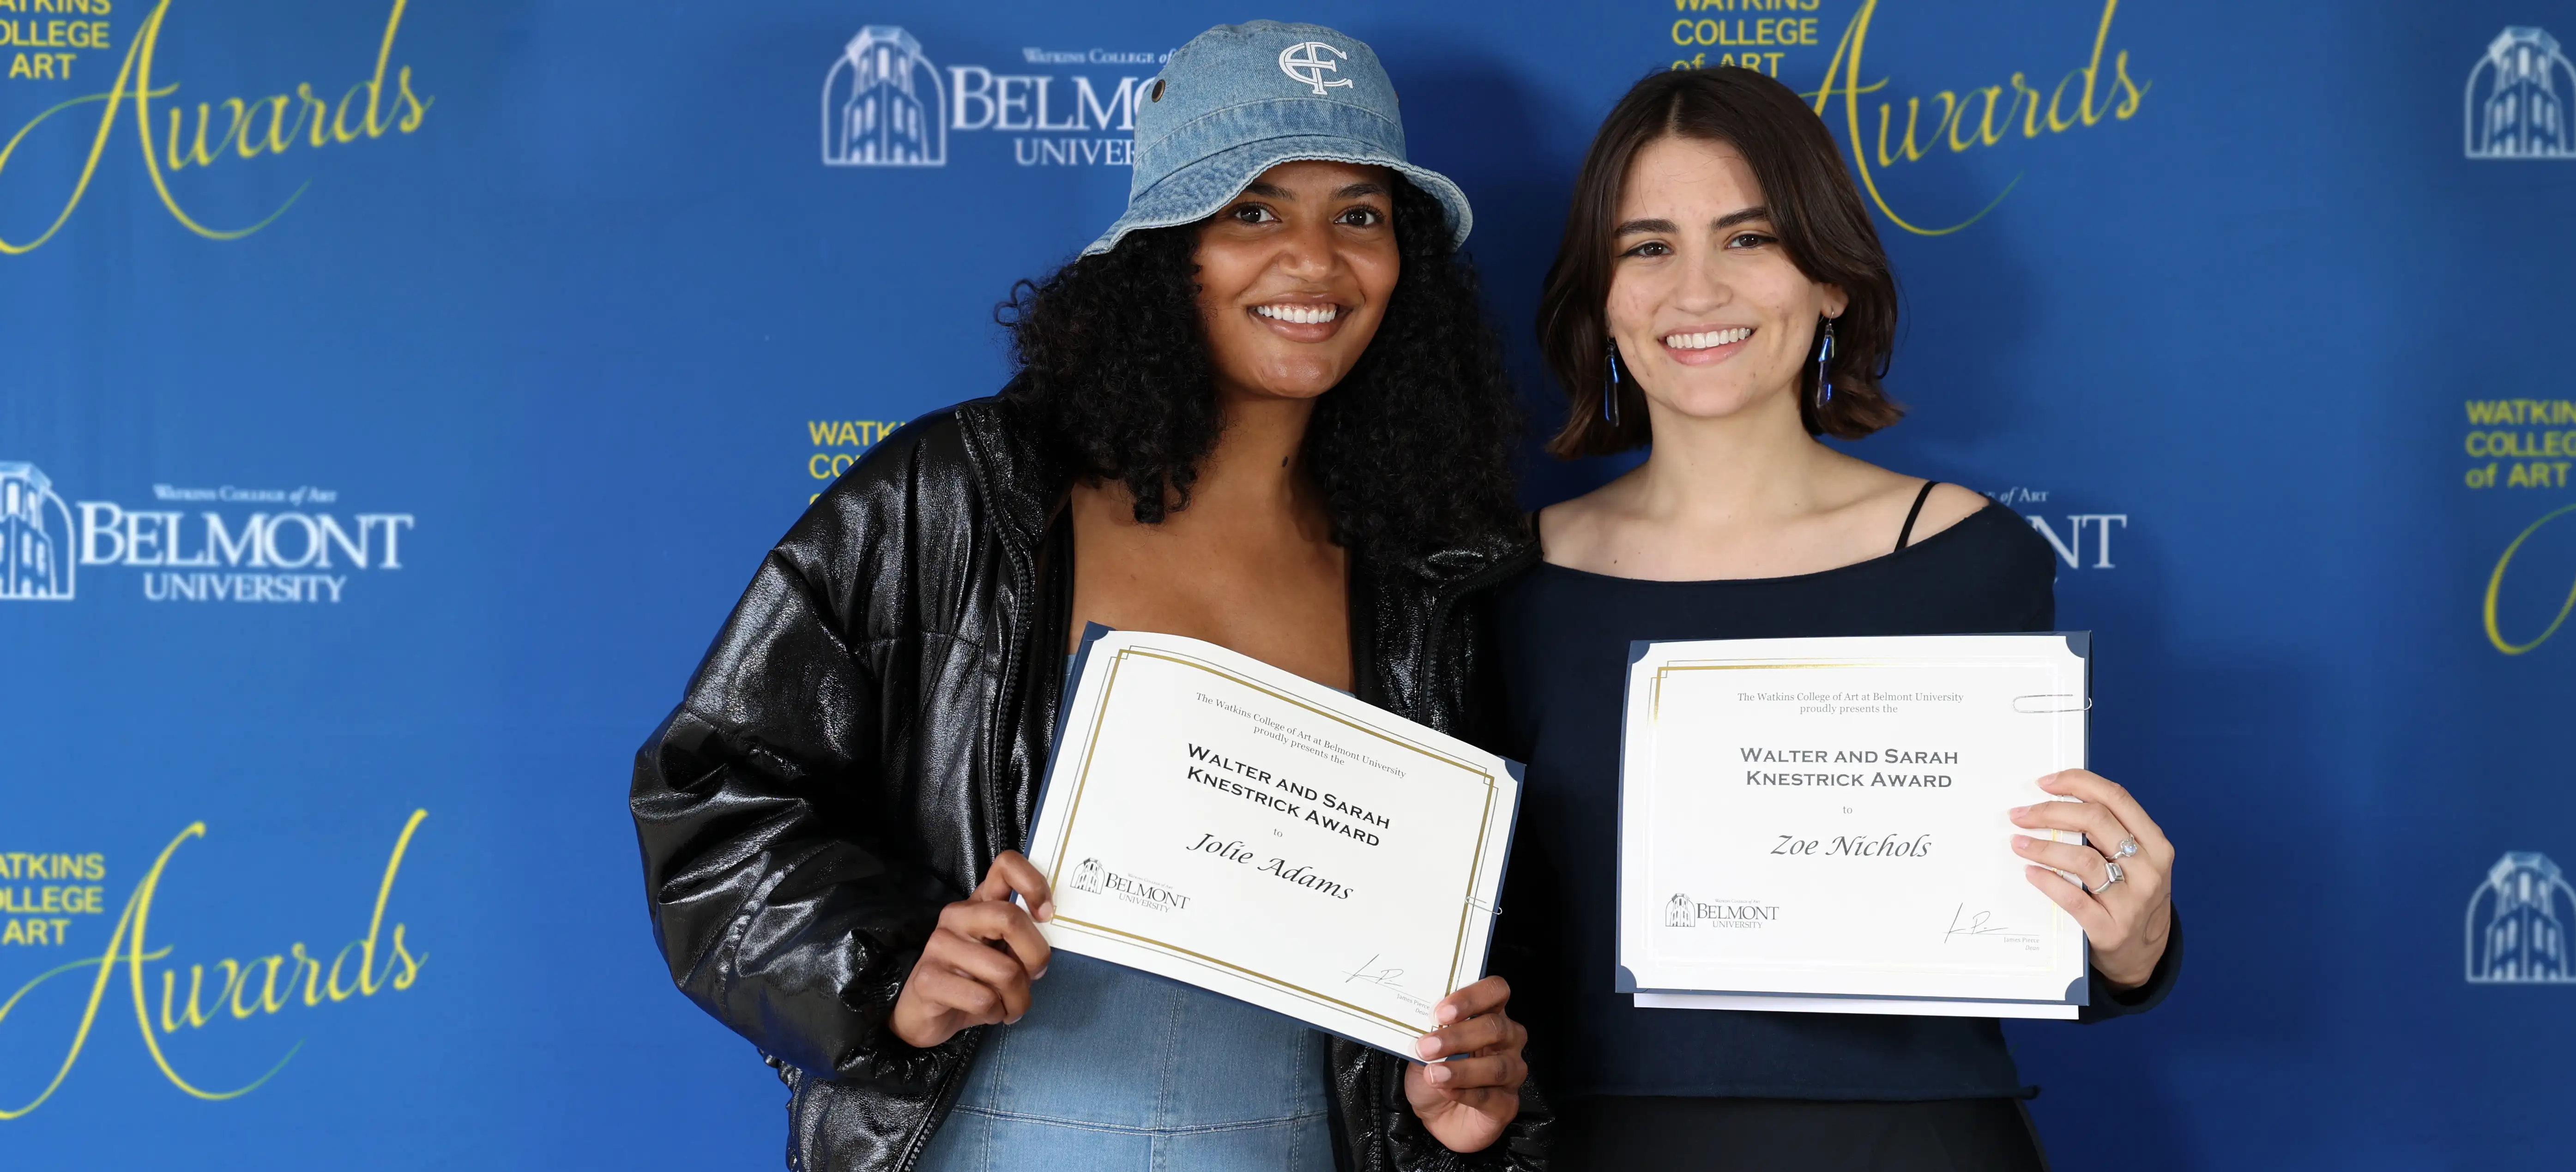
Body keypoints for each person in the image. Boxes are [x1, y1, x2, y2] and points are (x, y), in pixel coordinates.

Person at [630, 23, 1546, 1172]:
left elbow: (1478, 946)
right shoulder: (965, 497)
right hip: (988, 1139)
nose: (1313, 261)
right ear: (1164, 249)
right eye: (1251, 210)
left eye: (1358, 215)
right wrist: (885, 970)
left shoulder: (1430, 571)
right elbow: (712, 789)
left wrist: (1459, 1098)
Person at [1487, 67, 2182, 1171]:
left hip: (1912, 1142)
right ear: (1597, 296)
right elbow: (1483, 939)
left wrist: (2132, 945)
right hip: (1603, 1144)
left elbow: (2030, 911)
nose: (1696, 290)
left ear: (1831, 281)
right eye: (1647, 246)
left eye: (1749, 238)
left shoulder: (1964, 556)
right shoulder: (1505, 581)